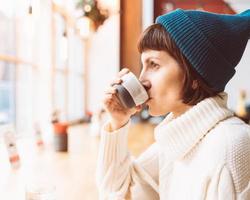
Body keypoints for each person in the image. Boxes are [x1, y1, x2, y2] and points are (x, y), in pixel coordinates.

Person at [96, 9, 250, 200]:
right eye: (143, 65)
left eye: (154, 64)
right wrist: (118, 122)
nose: (142, 79)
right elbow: (117, 193)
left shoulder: (231, 145)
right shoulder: (176, 139)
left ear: (194, 75)